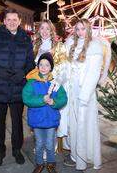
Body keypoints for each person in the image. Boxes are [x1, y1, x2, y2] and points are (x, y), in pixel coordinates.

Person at [0, 8, 35, 166]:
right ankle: (0, 151)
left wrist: (23, 74)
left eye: (14, 19)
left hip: (18, 87)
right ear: (4, 21)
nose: (11, 22)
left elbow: (30, 62)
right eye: (8, 19)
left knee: (18, 121)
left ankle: (17, 150)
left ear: (19, 22)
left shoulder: (25, 38)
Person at [63, 19, 104, 170]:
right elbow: (67, 66)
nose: (80, 32)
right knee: (73, 124)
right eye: (77, 29)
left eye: (83, 29)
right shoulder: (72, 45)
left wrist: (84, 96)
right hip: (72, 90)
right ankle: (75, 154)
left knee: (84, 124)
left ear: (88, 30)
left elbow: (93, 74)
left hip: (84, 94)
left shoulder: (94, 46)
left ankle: (84, 156)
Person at [23, 52, 67, 173]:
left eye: (47, 65)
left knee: (49, 144)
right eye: (41, 64)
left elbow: (63, 98)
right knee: (39, 144)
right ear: (37, 66)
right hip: (37, 120)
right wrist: (42, 99)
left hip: (51, 120)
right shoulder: (31, 82)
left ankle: (51, 163)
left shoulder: (55, 83)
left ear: (51, 67)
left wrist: (54, 102)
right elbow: (26, 98)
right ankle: (39, 163)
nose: (43, 67)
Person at [32, 20, 70, 149]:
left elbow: (65, 66)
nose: (44, 31)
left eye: (47, 29)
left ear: (52, 30)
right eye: (42, 28)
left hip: (52, 85)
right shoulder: (35, 45)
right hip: (38, 85)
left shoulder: (59, 46)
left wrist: (55, 82)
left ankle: (50, 147)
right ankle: (39, 143)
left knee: (50, 116)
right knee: (38, 113)